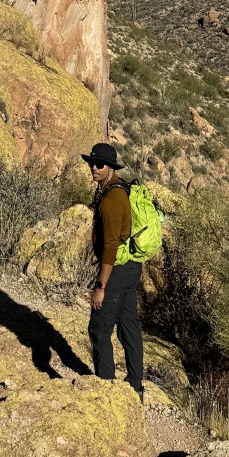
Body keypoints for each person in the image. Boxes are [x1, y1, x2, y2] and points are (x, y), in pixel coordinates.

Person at [82, 141, 144, 402]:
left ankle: (106, 392)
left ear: (110, 167)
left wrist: (100, 286)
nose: (94, 168)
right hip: (129, 267)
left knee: (99, 327)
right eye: (91, 163)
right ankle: (135, 388)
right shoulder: (115, 190)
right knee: (129, 325)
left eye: (99, 164)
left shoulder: (112, 199)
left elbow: (110, 246)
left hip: (116, 270)